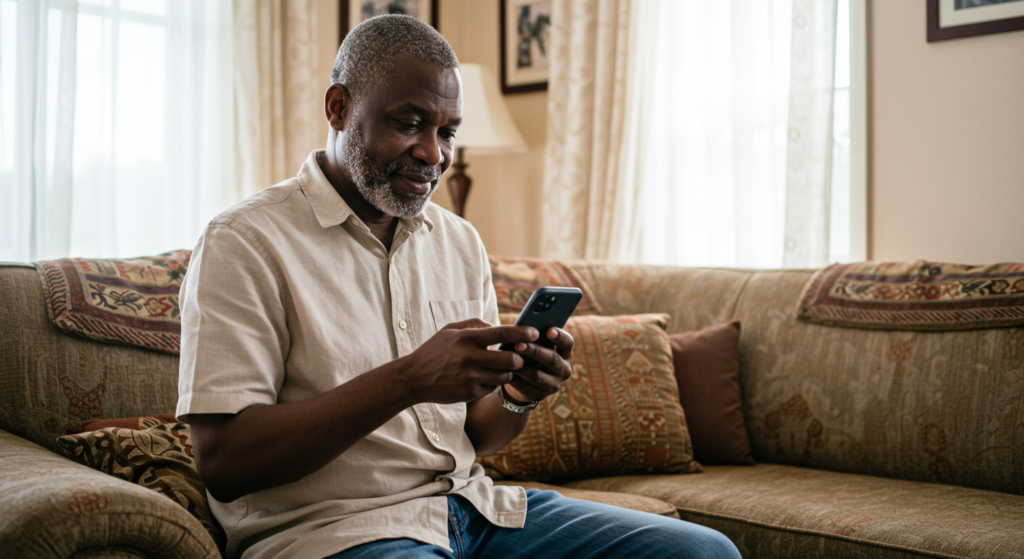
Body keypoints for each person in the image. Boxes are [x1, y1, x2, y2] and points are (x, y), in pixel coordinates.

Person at [177, 14, 741, 559]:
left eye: (447, 131)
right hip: (335, 533)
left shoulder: (459, 241)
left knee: (704, 550)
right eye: (409, 123)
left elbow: (476, 432)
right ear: (339, 107)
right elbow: (226, 463)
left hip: (476, 513)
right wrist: (409, 379)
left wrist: (519, 394)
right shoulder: (243, 241)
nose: (434, 154)